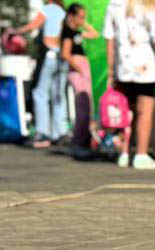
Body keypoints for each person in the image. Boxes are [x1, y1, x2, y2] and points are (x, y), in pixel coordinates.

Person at [104, 0, 155, 169]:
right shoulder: (148, 6)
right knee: (144, 112)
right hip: (145, 66)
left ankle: (124, 153)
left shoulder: (113, 5)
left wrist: (111, 70)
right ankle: (141, 154)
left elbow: (109, 38)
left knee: (127, 111)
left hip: (123, 66)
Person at [14, 0, 67, 148]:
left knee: (40, 93)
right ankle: (60, 132)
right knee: (58, 95)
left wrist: (16, 31)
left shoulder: (48, 9)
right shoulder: (63, 12)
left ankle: (43, 132)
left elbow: (34, 25)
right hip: (62, 57)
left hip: (50, 55)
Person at [60, 3, 98, 159]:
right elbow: (65, 54)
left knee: (88, 106)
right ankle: (78, 143)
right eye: (80, 17)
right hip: (77, 68)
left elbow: (95, 34)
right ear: (71, 16)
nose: (82, 20)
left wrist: (83, 24)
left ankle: (84, 142)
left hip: (82, 66)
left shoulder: (77, 32)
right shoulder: (68, 32)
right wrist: (78, 67)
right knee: (82, 107)